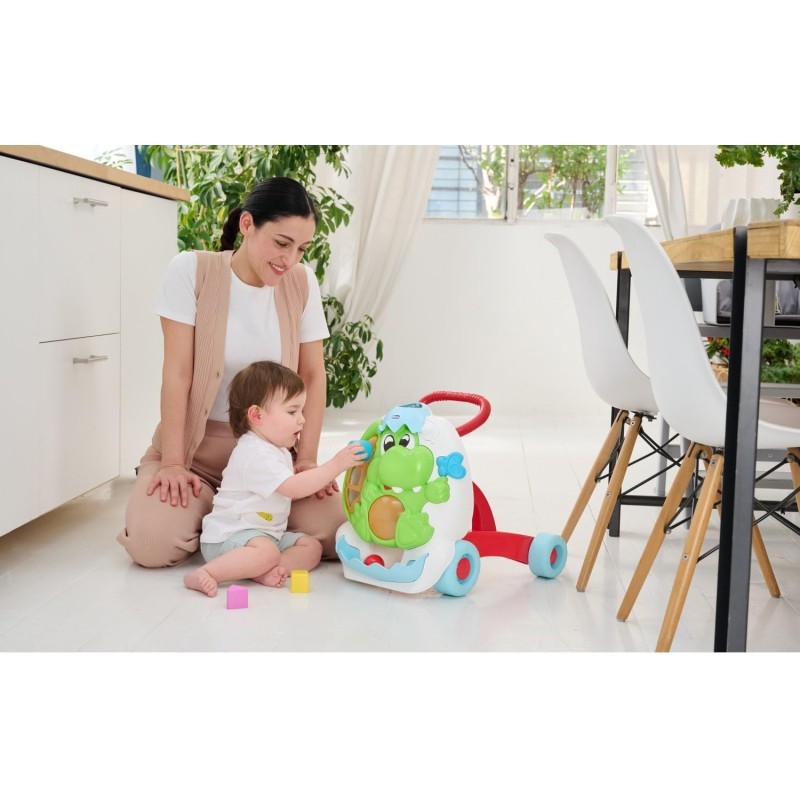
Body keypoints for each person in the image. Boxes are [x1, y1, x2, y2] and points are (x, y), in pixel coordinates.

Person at [118, 176, 347, 568]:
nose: (290, 259)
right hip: (196, 453)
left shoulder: (301, 283)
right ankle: (218, 518)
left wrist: (307, 460)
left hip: (272, 462)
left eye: (301, 249)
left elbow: (312, 374)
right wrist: (173, 462)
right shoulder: (192, 270)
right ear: (247, 224)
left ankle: (231, 525)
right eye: (281, 243)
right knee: (152, 544)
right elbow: (177, 373)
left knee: (334, 533)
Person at [184, 361, 366, 596]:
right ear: (256, 415)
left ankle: (269, 570)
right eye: (292, 412)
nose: (302, 419)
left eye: (301, 411)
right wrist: (336, 464)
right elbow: (293, 488)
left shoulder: (276, 449)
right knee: (267, 552)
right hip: (229, 537)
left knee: (311, 547)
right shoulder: (255, 453)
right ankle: (207, 573)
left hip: (266, 535)